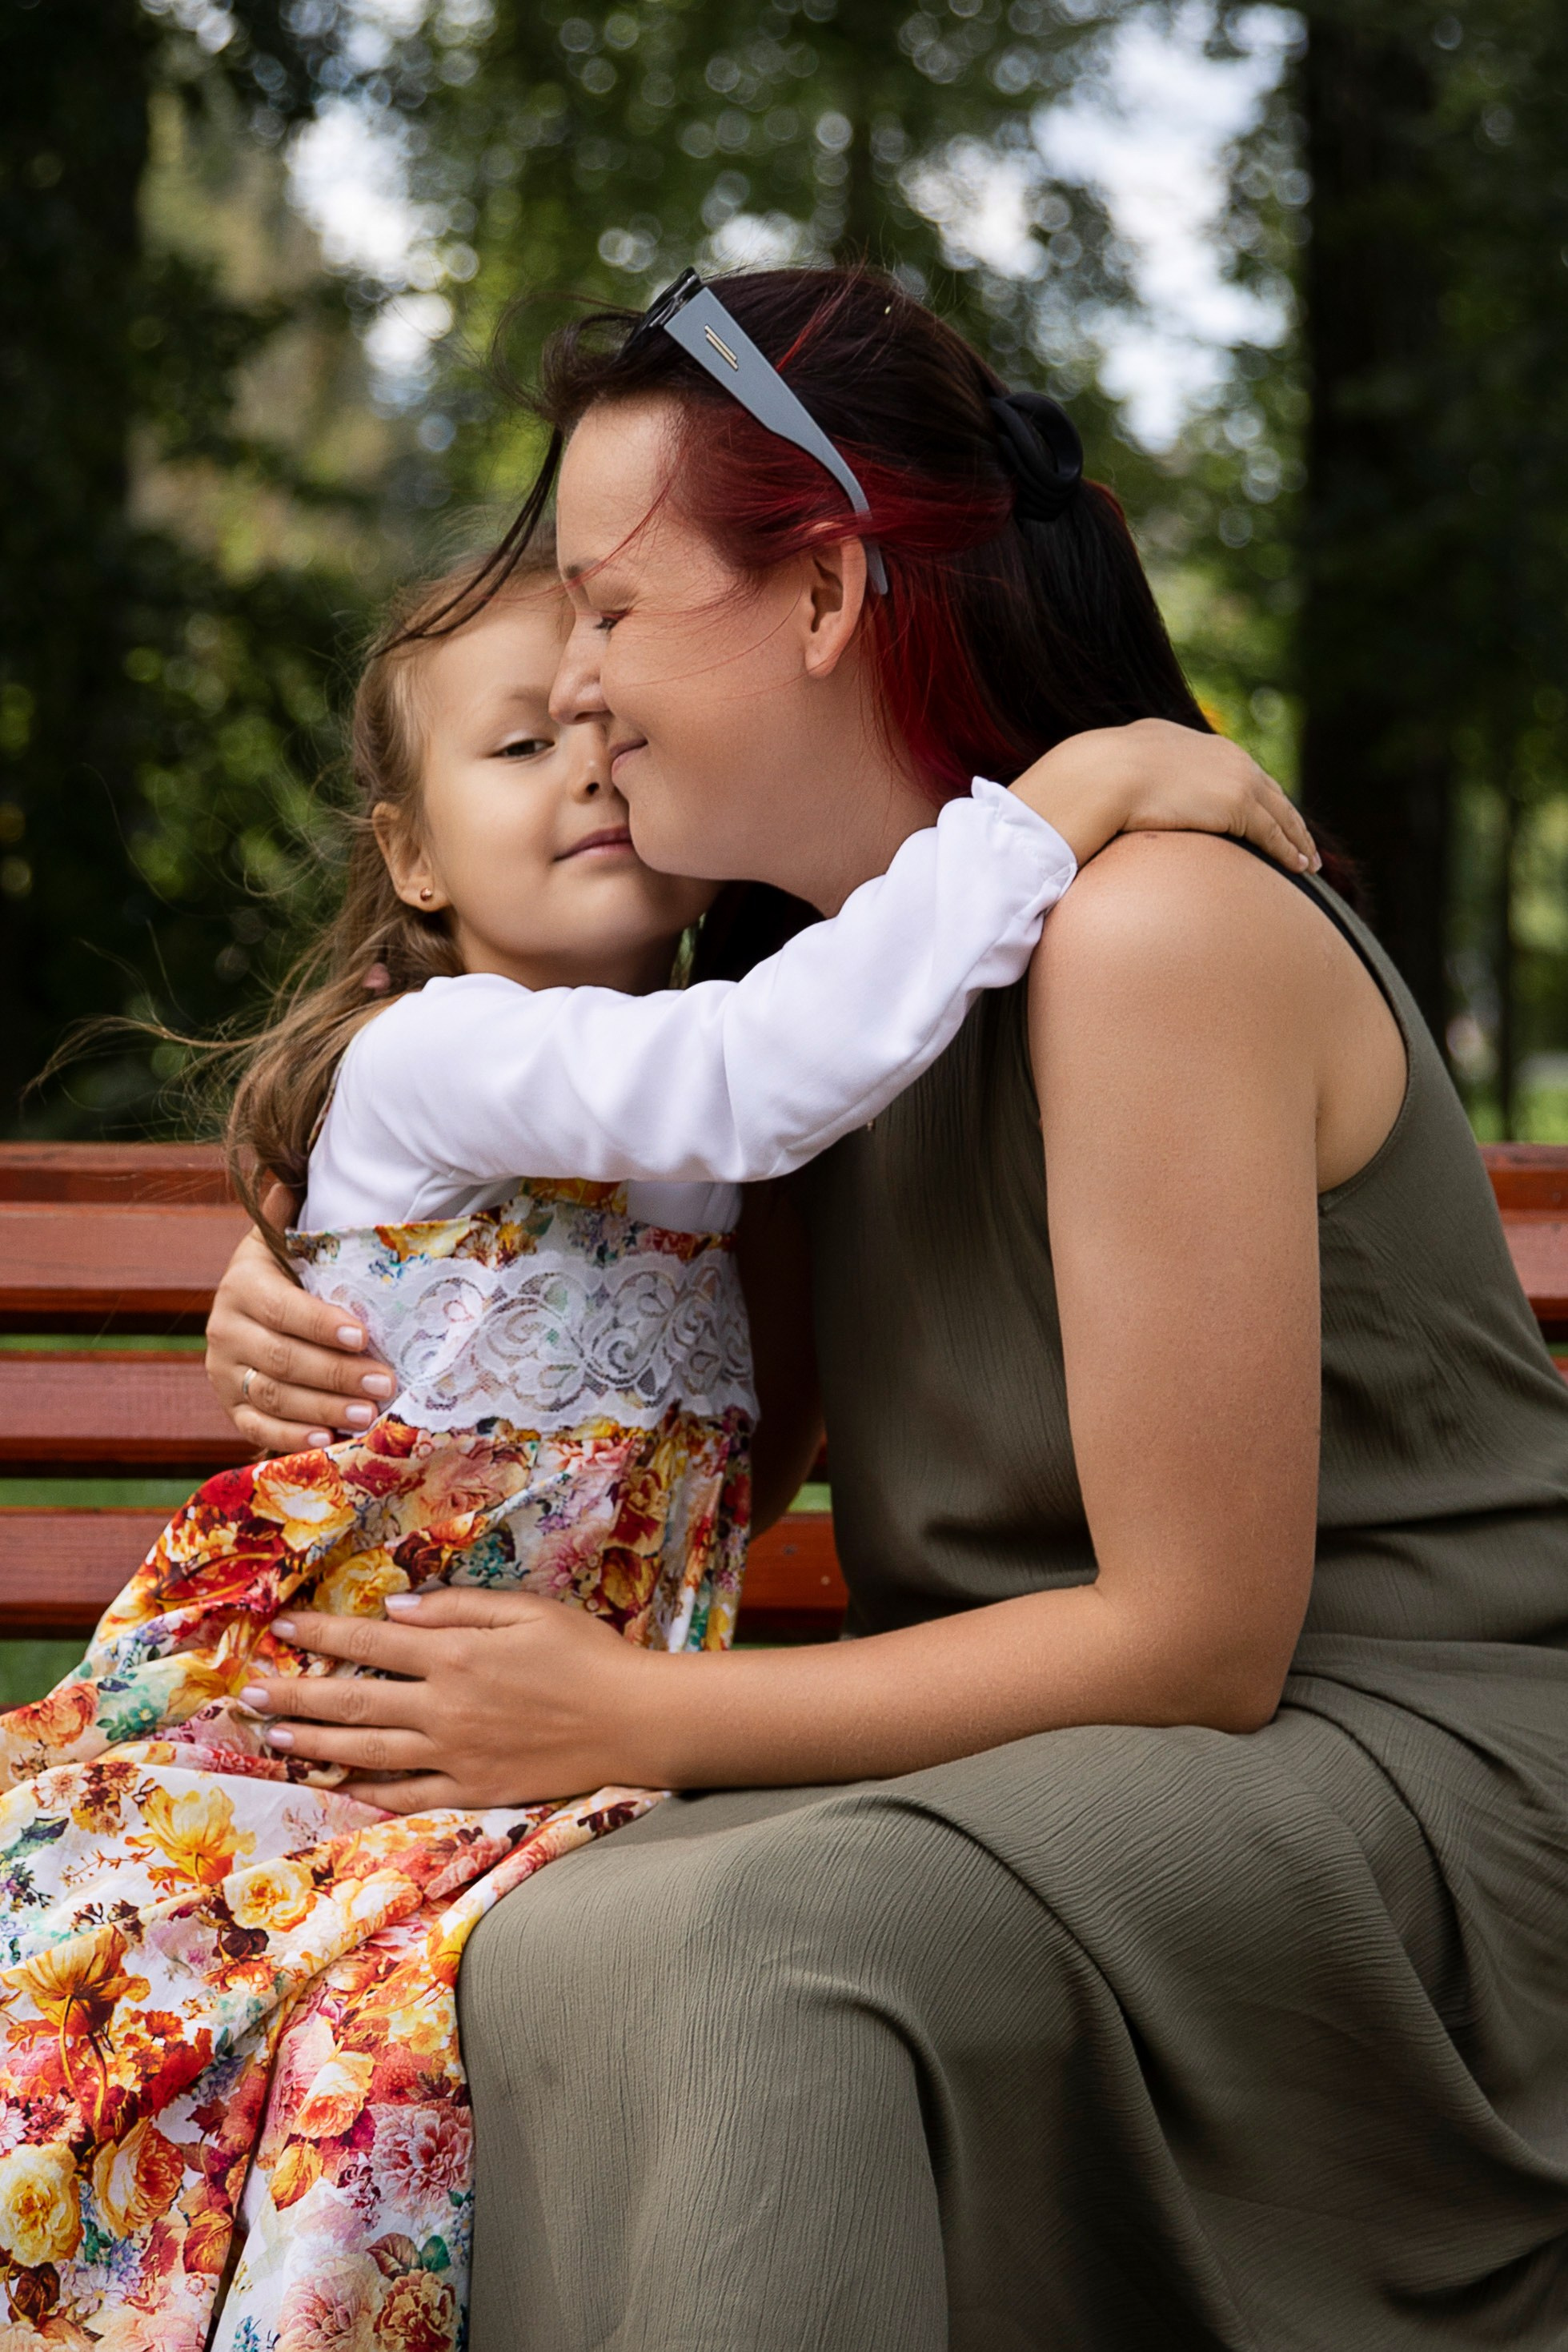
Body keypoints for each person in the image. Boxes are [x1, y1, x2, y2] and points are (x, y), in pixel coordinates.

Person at [206, 266, 1568, 2350]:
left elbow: (1201, 1643)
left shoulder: (1145, 936)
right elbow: (703, 1472)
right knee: (530, 1944)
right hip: (1047, 1757)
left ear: (828, 595)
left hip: (1390, 1792)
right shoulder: (813, 1014)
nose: (572, 679)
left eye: (608, 603)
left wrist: (642, 1716)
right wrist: (334, 1275)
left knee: (764, 1944)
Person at [0, 547, 1305, 2347]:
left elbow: (745, 1202)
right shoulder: (450, 1053)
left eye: (615, 733)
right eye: (522, 746)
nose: (588, 771)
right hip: (305, 1733)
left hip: (516, 1759)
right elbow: (748, 1067)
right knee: (321, 2062)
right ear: (411, 856)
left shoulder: (694, 1101)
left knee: (416, 2043)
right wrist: (1060, 803)